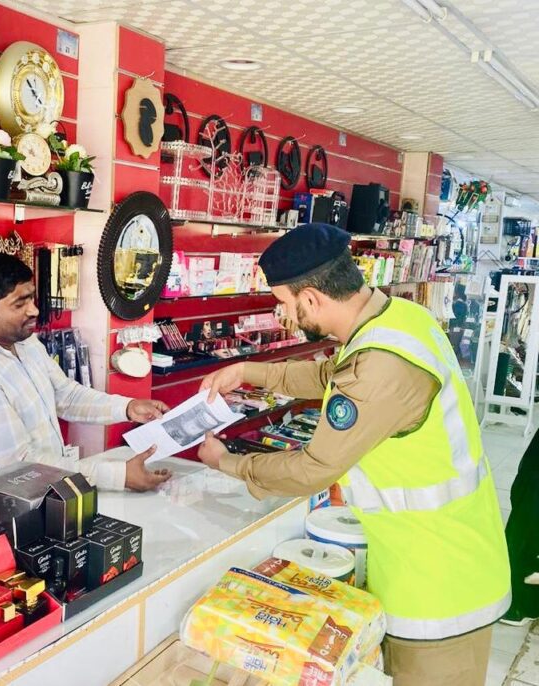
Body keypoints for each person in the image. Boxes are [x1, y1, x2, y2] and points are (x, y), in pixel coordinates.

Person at [197, 223, 511, 686]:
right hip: (435, 556)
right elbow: (332, 375)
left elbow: (312, 469)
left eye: (284, 303)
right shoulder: (399, 320)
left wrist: (225, 462)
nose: (283, 315)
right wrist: (248, 370)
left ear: (310, 299)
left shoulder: (380, 365)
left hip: (438, 585)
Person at [0, 250, 171, 492]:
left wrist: (127, 407)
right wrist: (117, 476)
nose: (34, 311)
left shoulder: (25, 342)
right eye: (20, 304)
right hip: (2, 505)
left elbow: (66, 396)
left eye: (31, 299)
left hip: (48, 493)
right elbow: (22, 464)